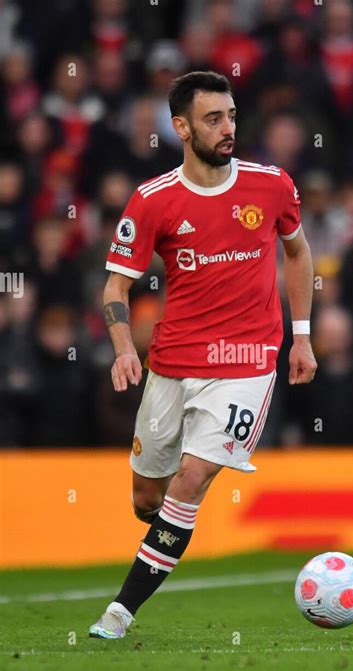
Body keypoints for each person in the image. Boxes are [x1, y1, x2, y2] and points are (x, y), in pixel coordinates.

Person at [89, 70, 317, 639]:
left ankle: (119, 613)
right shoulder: (153, 201)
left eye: (232, 115)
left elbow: (298, 252)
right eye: (213, 119)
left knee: (192, 478)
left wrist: (303, 334)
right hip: (172, 363)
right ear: (181, 128)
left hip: (247, 361)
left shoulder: (270, 186)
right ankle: (168, 531)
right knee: (149, 497)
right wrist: (123, 350)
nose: (227, 128)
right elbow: (115, 288)